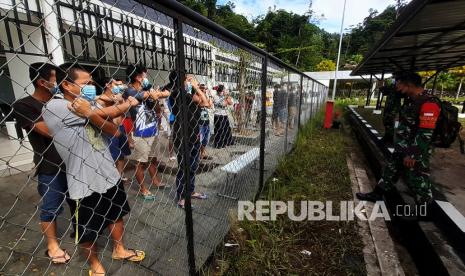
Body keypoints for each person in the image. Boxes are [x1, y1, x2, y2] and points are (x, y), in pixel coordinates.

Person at [42, 63, 145, 275]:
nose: (91, 86)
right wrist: (123, 106)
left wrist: (90, 113)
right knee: (87, 229)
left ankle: (120, 249)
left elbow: (114, 131)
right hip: (83, 179)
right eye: (85, 83)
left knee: (117, 213)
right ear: (67, 86)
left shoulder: (86, 104)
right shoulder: (54, 106)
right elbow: (108, 111)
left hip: (108, 172)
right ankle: (95, 264)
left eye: (91, 82)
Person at [12, 62, 71, 264]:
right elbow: (46, 130)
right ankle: (52, 245)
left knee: (77, 200)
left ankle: (81, 231)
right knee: (51, 206)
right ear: (43, 82)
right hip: (50, 164)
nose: (60, 82)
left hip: (72, 161)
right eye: (56, 78)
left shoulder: (59, 100)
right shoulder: (24, 105)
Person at [356, 72, 441, 205]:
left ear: (409, 84)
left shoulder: (429, 103)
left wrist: (413, 155)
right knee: (390, 171)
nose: (397, 87)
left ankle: (425, 209)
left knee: (418, 179)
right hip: (402, 147)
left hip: (415, 150)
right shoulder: (411, 100)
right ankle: (377, 194)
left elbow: (425, 133)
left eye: (399, 84)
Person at [124, 64, 170, 200]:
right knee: (141, 162)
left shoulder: (146, 89)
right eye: (144, 74)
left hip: (152, 129)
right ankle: (143, 189)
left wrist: (155, 97)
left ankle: (155, 181)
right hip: (140, 133)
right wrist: (153, 93)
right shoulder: (129, 91)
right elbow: (142, 95)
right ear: (138, 77)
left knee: (153, 159)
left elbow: (155, 107)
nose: (146, 77)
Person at [169, 73, 209, 209]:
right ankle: (181, 197)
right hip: (182, 137)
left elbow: (205, 102)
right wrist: (195, 87)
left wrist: (194, 87)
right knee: (183, 169)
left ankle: (190, 191)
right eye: (188, 79)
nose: (190, 81)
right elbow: (204, 102)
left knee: (192, 167)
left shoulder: (188, 93)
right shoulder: (177, 93)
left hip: (194, 135)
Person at [95, 78, 135, 179]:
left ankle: (119, 175)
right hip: (109, 131)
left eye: (120, 85)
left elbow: (123, 113)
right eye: (116, 84)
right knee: (111, 156)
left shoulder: (119, 98)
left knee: (121, 155)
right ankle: (111, 177)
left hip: (120, 128)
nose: (119, 87)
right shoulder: (100, 100)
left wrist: (120, 102)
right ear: (108, 85)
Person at [381, 77, 403, 145]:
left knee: (392, 123)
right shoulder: (392, 86)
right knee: (386, 121)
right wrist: (381, 85)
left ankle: (390, 138)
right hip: (388, 107)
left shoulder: (400, 87)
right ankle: (387, 136)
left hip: (394, 108)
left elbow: (402, 94)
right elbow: (384, 92)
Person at [199, 83, 214, 160]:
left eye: (204, 89)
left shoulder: (205, 96)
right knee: (200, 139)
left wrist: (210, 95)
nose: (203, 90)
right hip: (199, 121)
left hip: (206, 120)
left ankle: (203, 153)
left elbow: (210, 105)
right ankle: (200, 154)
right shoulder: (198, 96)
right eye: (202, 88)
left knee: (205, 139)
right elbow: (207, 104)